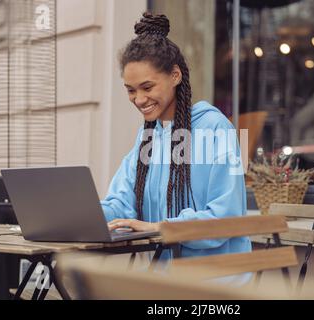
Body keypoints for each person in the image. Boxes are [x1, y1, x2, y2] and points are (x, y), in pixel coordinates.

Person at [100, 12, 251, 264]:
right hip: (164, 282)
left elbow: (227, 219)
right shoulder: (147, 136)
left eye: (147, 88)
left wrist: (158, 227)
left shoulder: (217, 128)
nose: (138, 99)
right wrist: (79, 215)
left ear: (175, 76)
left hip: (215, 281)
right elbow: (121, 204)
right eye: (131, 90)